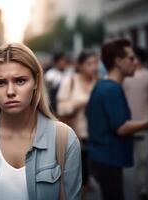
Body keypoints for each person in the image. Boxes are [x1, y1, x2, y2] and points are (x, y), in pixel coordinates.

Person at [0, 43, 82, 200]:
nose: (10, 92)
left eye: (20, 81)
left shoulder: (65, 139)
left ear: (36, 82)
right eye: (0, 82)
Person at [85, 38, 148, 200]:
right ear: (118, 61)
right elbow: (121, 127)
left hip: (101, 158)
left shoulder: (102, 85)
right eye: (131, 58)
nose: (136, 62)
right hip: (107, 160)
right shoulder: (111, 89)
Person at [57, 50, 98, 200]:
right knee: (80, 178)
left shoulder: (98, 83)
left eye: (95, 63)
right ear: (80, 66)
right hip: (77, 137)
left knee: (92, 175)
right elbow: (61, 108)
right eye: (89, 64)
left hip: (96, 137)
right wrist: (77, 105)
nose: (93, 67)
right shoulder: (70, 81)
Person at [123, 47, 148, 200]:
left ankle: (142, 188)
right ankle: (121, 187)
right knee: (123, 158)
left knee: (143, 158)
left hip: (144, 123)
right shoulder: (123, 76)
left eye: (133, 57)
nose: (131, 60)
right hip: (125, 124)